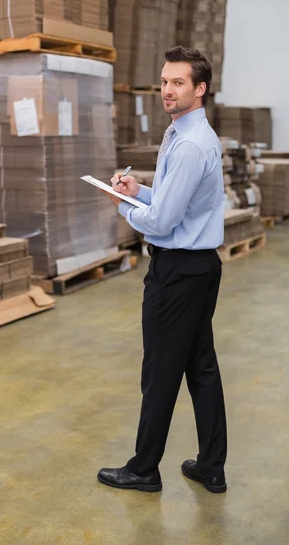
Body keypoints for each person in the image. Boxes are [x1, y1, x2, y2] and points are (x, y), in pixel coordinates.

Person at [98, 46, 228, 494]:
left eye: (178, 83)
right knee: (200, 366)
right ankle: (211, 465)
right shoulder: (182, 132)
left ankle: (143, 469)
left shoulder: (190, 142)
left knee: (160, 372)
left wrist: (123, 208)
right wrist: (141, 190)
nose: (167, 90)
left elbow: (165, 222)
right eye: (164, 81)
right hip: (197, 267)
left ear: (199, 88)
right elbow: (176, 202)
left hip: (178, 273)